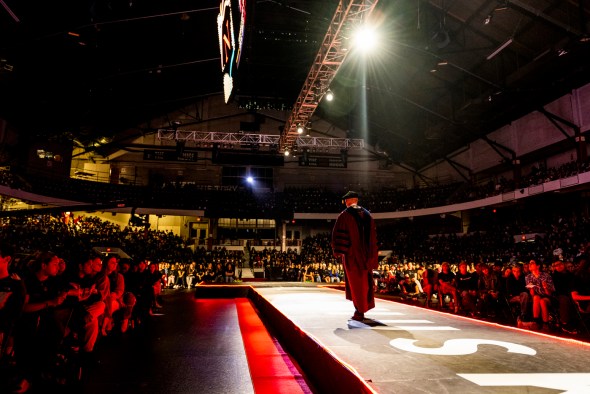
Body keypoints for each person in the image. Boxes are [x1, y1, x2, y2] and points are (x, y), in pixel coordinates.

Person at [332, 191, 379, 322]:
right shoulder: (368, 215)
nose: (345, 203)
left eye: (345, 201)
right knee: (365, 282)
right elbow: (373, 238)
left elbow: (338, 235)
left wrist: (339, 251)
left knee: (356, 283)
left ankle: (359, 311)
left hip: (353, 256)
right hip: (367, 256)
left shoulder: (345, 215)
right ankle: (363, 307)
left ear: (349, 200)